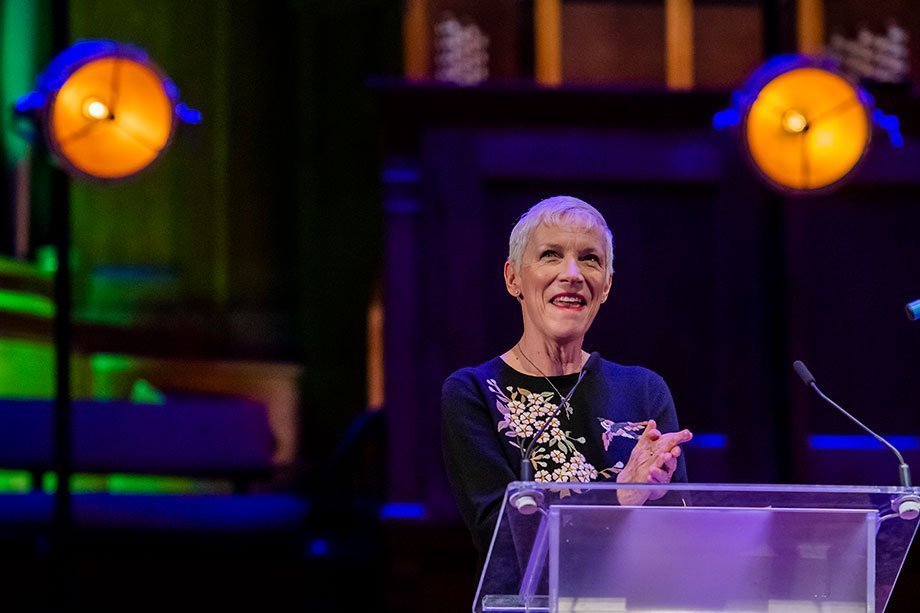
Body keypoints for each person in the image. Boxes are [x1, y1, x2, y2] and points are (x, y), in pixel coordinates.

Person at [441, 195, 693, 559]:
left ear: (605, 286)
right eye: (550, 255)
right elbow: (504, 542)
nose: (572, 274)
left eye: (590, 259)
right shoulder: (473, 393)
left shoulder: (644, 391)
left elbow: (681, 537)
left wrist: (652, 496)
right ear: (514, 279)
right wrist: (621, 496)